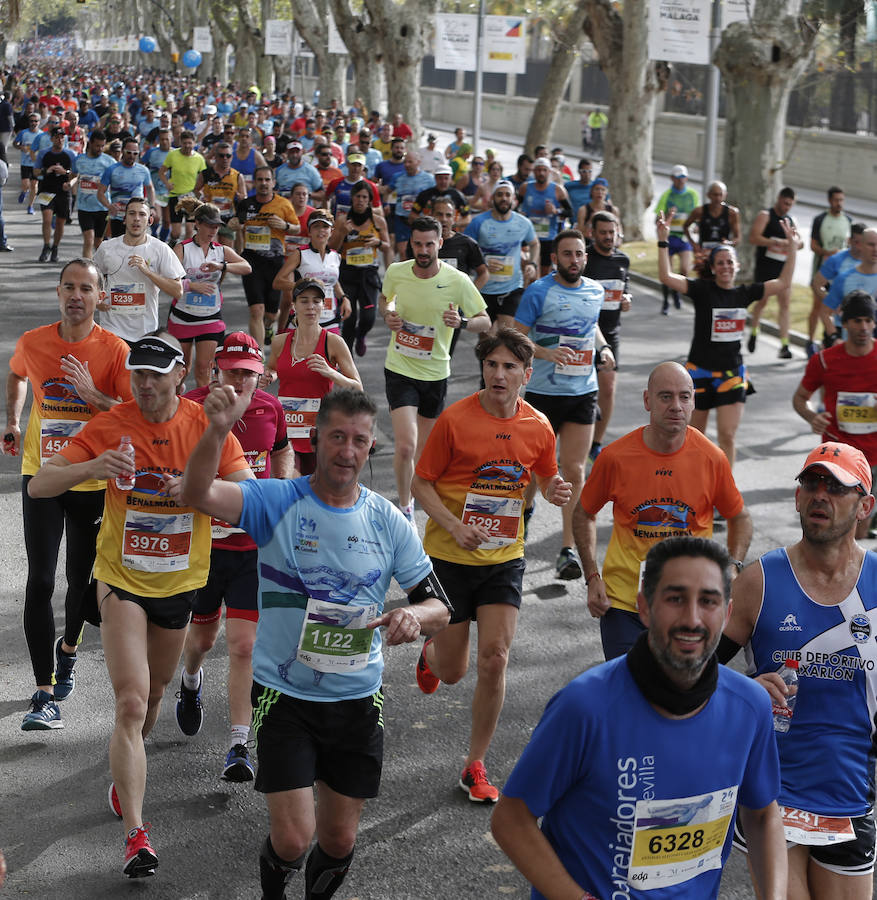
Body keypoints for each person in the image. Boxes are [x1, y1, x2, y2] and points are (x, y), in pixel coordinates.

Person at [178, 386, 451, 900]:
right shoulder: (275, 500)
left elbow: (438, 603)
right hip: (284, 696)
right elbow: (197, 494)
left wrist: (414, 617)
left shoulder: (389, 521)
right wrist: (217, 430)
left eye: (359, 441)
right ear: (315, 439)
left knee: (340, 837)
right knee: (292, 838)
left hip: (356, 698)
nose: (347, 451)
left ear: (371, 448)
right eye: (336, 438)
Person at [27, 331, 252, 878]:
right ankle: (137, 835)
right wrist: (91, 468)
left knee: (152, 698)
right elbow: (39, 485)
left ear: (181, 376)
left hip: (178, 586)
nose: (145, 383)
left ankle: (126, 772)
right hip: (120, 581)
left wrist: (198, 491)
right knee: (129, 703)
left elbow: (247, 495)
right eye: (138, 374)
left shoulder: (205, 426)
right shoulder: (111, 423)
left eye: (156, 374)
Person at [492, 536, 786, 900]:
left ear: (727, 614)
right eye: (675, 598)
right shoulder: (584, 707)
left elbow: (762, 816)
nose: (692, 618)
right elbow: (511, 819)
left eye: (708, 601)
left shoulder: (749, 706)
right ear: (644, 607)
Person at [412, 328, 572, 802]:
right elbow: (421, 486)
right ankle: (432, 657)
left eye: (509, 367)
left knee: (495, 658)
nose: (498, 374)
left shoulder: (539, 426)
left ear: (526, 374)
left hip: (505, 557)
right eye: (491, 365)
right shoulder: (455, 421)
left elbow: (545, 478)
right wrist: (455, 525)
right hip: (449, 556)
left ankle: (474, 764)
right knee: (456, 670)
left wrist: (555, 489)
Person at [721, 443, 877, 900]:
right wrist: (744, 687)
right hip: (772, 793)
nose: (820, 496)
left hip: (850, 792)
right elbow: (695, 676)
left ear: (865, 505)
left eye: (836, 487)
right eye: (811, 483)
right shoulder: (758, 581)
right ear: (797, 497)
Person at [5, 258, 132, 731]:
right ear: (58, 293)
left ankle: (69, 650)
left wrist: (93, 396)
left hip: (94, 481)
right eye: (68, 287)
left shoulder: (115, 351)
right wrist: (15, 420)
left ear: (101, 297)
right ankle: (44, 692)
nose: (76, 295)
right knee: (40, 581)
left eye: (86, 288)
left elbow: (131, 413)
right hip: (44, 473)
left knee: (80, 585)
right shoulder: (34, 342)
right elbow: (18, 375)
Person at [574, 361, 752, 660]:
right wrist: (592, 577)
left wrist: (732, 568)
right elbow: (584, 514)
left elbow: (740, 518)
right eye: (665, 396)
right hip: (625, 604)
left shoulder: (711, 458)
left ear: (694, 402)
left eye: (684, 397)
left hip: (689, 606)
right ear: (647, 400)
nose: (676, 406)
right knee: (632, 697)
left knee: (681, 701)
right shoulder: (616, 458)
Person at [177, 332, 292, 781]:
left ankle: (239, 745)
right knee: (202, 642)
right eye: (232, 372)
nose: (240, 380)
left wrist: (278, 493)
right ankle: (190, 681)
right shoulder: (190, 406)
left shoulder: (269, 407)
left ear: (260, 374)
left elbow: (281, 451)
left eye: (248, 373)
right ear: (215, 371)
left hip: (251, 550)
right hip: (204, 547)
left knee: (244, 646)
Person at [657, 214, 797, 468]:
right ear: (712, 268)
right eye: (720, 263)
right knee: (693, 437)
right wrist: (663, 242)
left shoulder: (745, 293)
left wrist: (792, 248)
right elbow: (666, 276)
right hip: (699, 373)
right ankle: (691, 485)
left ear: (737, 265)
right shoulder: (701, 290)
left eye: (729, 262)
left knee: (727, 436)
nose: (725, 267)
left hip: (731, 374)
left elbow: (784, 282)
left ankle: (724, 492)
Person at [514, 229, 614, 579]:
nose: (574, 260)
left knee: (574, 471)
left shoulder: (595, 290)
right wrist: (546, 352)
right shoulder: (538, 291)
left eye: (579, 254)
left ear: (586, 257)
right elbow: (516, 336)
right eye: (567, 254)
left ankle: (567, 550)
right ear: (555, 258)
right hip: (543, 393)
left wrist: (602, 348)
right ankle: (521, 522)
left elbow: (592, 326)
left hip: (582, 393)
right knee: (533, 470)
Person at [380, 216, 490, 524]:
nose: (424, 250)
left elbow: (485, 321)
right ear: (411, 244)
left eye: (430, 244)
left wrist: (463, 323)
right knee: (405, 445)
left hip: (435, 373)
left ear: (440, 243)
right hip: (400, 367)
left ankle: (416, 496)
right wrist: (389, 315)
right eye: (418, 244)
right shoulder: (397, 272)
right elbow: (386, 301)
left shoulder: (457, 280)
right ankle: (404, 508)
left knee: (422, 452)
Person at [793, 291, 877, 540]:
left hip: (874, 456)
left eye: (868, 320)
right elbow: (799, 398)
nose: (864, 327)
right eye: (857, 320)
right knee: (838, 528)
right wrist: (811, 417)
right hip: (838, 459)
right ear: (844, 322)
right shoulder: (825, 361)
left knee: (859, 529)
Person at [264, 278, 363, 475]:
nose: (311, 306)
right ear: (293, 305)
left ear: (323, 305)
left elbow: (357, 388)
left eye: (316, 301)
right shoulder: (280, 341)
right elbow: (272, 369)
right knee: (288, 486)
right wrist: (268, 377)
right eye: (304, 300)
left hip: (319, 431)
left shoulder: (333, 342)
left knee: (317, 493)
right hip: (287, 428)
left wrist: (331, 372)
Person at [170, 201, 251, 386]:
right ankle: (178, 409)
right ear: (197, 223)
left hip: (210, 317)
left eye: (216, 226)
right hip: (182, 317)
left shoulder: (221, 250)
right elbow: (168, 280)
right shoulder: (182, 248)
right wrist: (191, 286)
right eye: (209, 225)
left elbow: (247, 267)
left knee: (204, 370)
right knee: (181, 370)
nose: (213, 230)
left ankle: (201, 412)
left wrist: (222, 266)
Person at [93, 197, 186, 343]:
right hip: (112, 330)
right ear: (124, 219)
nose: (136, 219)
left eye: (142, 214)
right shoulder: (107, 248)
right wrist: (96, 301)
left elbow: (178, 291)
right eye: (131, 214)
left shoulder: (160, 249)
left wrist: (148, 272)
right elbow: (90, 280)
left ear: (150, 221)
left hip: (145, 332)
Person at [228, 166, 299, 346]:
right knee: (256, 310)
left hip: (275, 262)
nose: (263, 183)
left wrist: (285, 226)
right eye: (260, 180)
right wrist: (234, 224)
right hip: (252, 261)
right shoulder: (245, 204)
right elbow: (237, 223)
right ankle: (258, 357)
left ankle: (268, 327)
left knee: (270, 314)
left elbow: (297, 227)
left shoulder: (283, 204)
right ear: (255, 182)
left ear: (273, 183)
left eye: (267, 180)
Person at [583, 211, 631, 461]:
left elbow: (625, 287)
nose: (608, 237)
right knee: (580, 392)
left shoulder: (623, 259)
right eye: (603, 232)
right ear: (593, 233)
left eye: (612, 232)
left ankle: (595, 443)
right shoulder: (586, 259)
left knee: (608, 389)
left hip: (611, 334)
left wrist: (626, 299)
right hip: (582, 333)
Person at [465, 181, 539, 332]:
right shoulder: (478, 222)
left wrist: (532, 264)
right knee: (485, 339)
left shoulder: (523, 223)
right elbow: (465, 250)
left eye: (507, 195)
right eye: (499, 194)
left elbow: (535, 244)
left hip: (512, 287)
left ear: (514, 199)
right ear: (492, 198)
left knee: (507, 333)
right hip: (485, 288)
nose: (504, 198)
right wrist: (481, 263)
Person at [329, 180, 391, 356]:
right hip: (347, 272)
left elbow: (387, 246)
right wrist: (342, 233)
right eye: (357, 196)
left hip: (368, 274)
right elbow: (332, 248)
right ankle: (347, 358)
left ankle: (361, 334)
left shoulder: (377, 221)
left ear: (370, 200)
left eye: (364, 197)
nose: (360, 200)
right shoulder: (342, 220)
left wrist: (378, 242)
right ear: (352, 198)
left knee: (368, 316)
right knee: (349, 317)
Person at [747, 186, 804, 358]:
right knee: (762, 302)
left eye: (790, 205)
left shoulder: (791, 220)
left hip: (783, 268)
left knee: (785, 304)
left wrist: (792, 243)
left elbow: (800, 242)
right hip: (765, 267)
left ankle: (784, 345)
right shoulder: (766, 215)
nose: (787, 207)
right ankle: (754, 332)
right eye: (785, 203)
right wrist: (775, 242)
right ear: (779, 199)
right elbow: (753, 237)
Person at [273, 210, 349, 334]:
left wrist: (344, 298)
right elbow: (277, 282)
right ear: (309, 231)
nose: (321, 230)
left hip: (330, 316)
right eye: (316, 226)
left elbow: (332, 281)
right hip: (303, 317)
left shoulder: (336, 256)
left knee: (334, 353)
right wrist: (305, 285)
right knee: (299, 353)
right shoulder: (300, 254)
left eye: (325, 227)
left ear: (331, 231)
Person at [654, 165, 699, 315]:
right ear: (672, 178)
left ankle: (677, 293)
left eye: (683, 178)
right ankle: (666, 301)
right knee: (668, 271)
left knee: (685, 269)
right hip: (669, 237)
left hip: (684, 238)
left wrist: (697, 225)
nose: (681, 181)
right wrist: (667, 217)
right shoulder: (666, 195)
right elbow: (658, 218)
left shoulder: (692, 194)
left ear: (686, 178)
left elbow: (696, 215)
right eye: (678, 178)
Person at [517, 157, 571, 276]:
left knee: (544, 271)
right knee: (528, 268)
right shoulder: (525, 188)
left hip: (548, 237)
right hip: (528, 234)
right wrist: (519, 214)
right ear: (534, 171)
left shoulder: (557, 190)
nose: (541, 173)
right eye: (538, 170)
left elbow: (570, 212)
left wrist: (556, 211)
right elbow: (514, 206)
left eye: (544, 170)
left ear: (549, 172)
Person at [98, 136, 154, 239]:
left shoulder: (143, 170)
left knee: (137, 247)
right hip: (118, 217)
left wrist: (152, 207)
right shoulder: (112, 169)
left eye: (135, 153)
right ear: (122, 151)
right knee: (119, 249)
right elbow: (100, 193)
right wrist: (109, 206)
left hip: (138, 217)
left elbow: (150, 188)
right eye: (129, 152)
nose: (132, 156)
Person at [33, 125, 75, 263]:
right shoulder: (44, 153)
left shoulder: (70, 154)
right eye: (57, 137)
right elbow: (35, 172)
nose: (60, 139)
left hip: (63, 191)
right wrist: (47, 170)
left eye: (62, 137)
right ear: (51, 139)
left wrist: (66, 174)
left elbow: (76, 174)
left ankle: (55, 248)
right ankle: (46, 246)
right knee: (46, 218)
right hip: (46, 189)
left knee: (60, 223)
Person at [194, 140, 247, 247]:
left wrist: (241, 198)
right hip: (210, 217)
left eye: (228, 156)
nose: (225, 159)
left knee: (225, 250)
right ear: (216, 157)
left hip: (228, 218)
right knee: (211, 248)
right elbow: (196, 190)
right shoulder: (206, 173)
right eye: (221, 156)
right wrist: (201, 197)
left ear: (232, 157)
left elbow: (244, 197)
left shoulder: (237, 176)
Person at [72, 129, 115, 257]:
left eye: (102, 146)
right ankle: (87, 271)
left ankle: (101, 271)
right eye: (97, 145)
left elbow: (115, 181)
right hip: (84, 207)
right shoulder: (79, 159)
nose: (100, 149)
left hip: (102, 207)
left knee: (98, 243)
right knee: (88, 239)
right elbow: (73, 175)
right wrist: (73, 189)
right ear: (90, 143)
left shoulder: (109, 162)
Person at [159, 130, 206, 245]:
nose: (187, 146)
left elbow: (204, 177)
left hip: (191, 197)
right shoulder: (173, 155)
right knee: (176, 232)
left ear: (194, 143)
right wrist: (167, 184)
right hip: (175, 196)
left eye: (190, 143)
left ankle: (185, 254)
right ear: (180, 142)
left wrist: (201, 191)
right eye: (185, 143)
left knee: (190, 230)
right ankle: (172, 244)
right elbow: (161, 172)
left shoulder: (199, 158)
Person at [682, 180, 740, 261]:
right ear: (708, 195)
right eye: (715, 195)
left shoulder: (732, 212)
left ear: (725, 195)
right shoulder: (699, 211)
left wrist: (729, 243)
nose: (718, 198)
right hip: (704, 251)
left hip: (723, 252)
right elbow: (685, 226)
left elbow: (737, 237)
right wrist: (694, 244)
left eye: (721, 195)